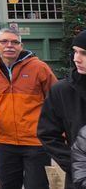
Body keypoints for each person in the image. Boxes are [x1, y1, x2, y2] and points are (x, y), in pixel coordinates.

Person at [0, 27, 56, 189]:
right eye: (4, 41)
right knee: (8, 185)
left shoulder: (39, 68)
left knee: (37, 186)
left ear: (21, 45)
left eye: (14, 42)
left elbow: (56, 99)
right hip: (6, 141)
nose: (9, 45)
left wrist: (58, 133)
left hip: (36, 142)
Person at [38, 30, 86, 187]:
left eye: (84, 53)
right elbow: (47, 134)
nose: (76, 59)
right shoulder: (62, 90)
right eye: (75, 52)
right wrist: (76, 164)